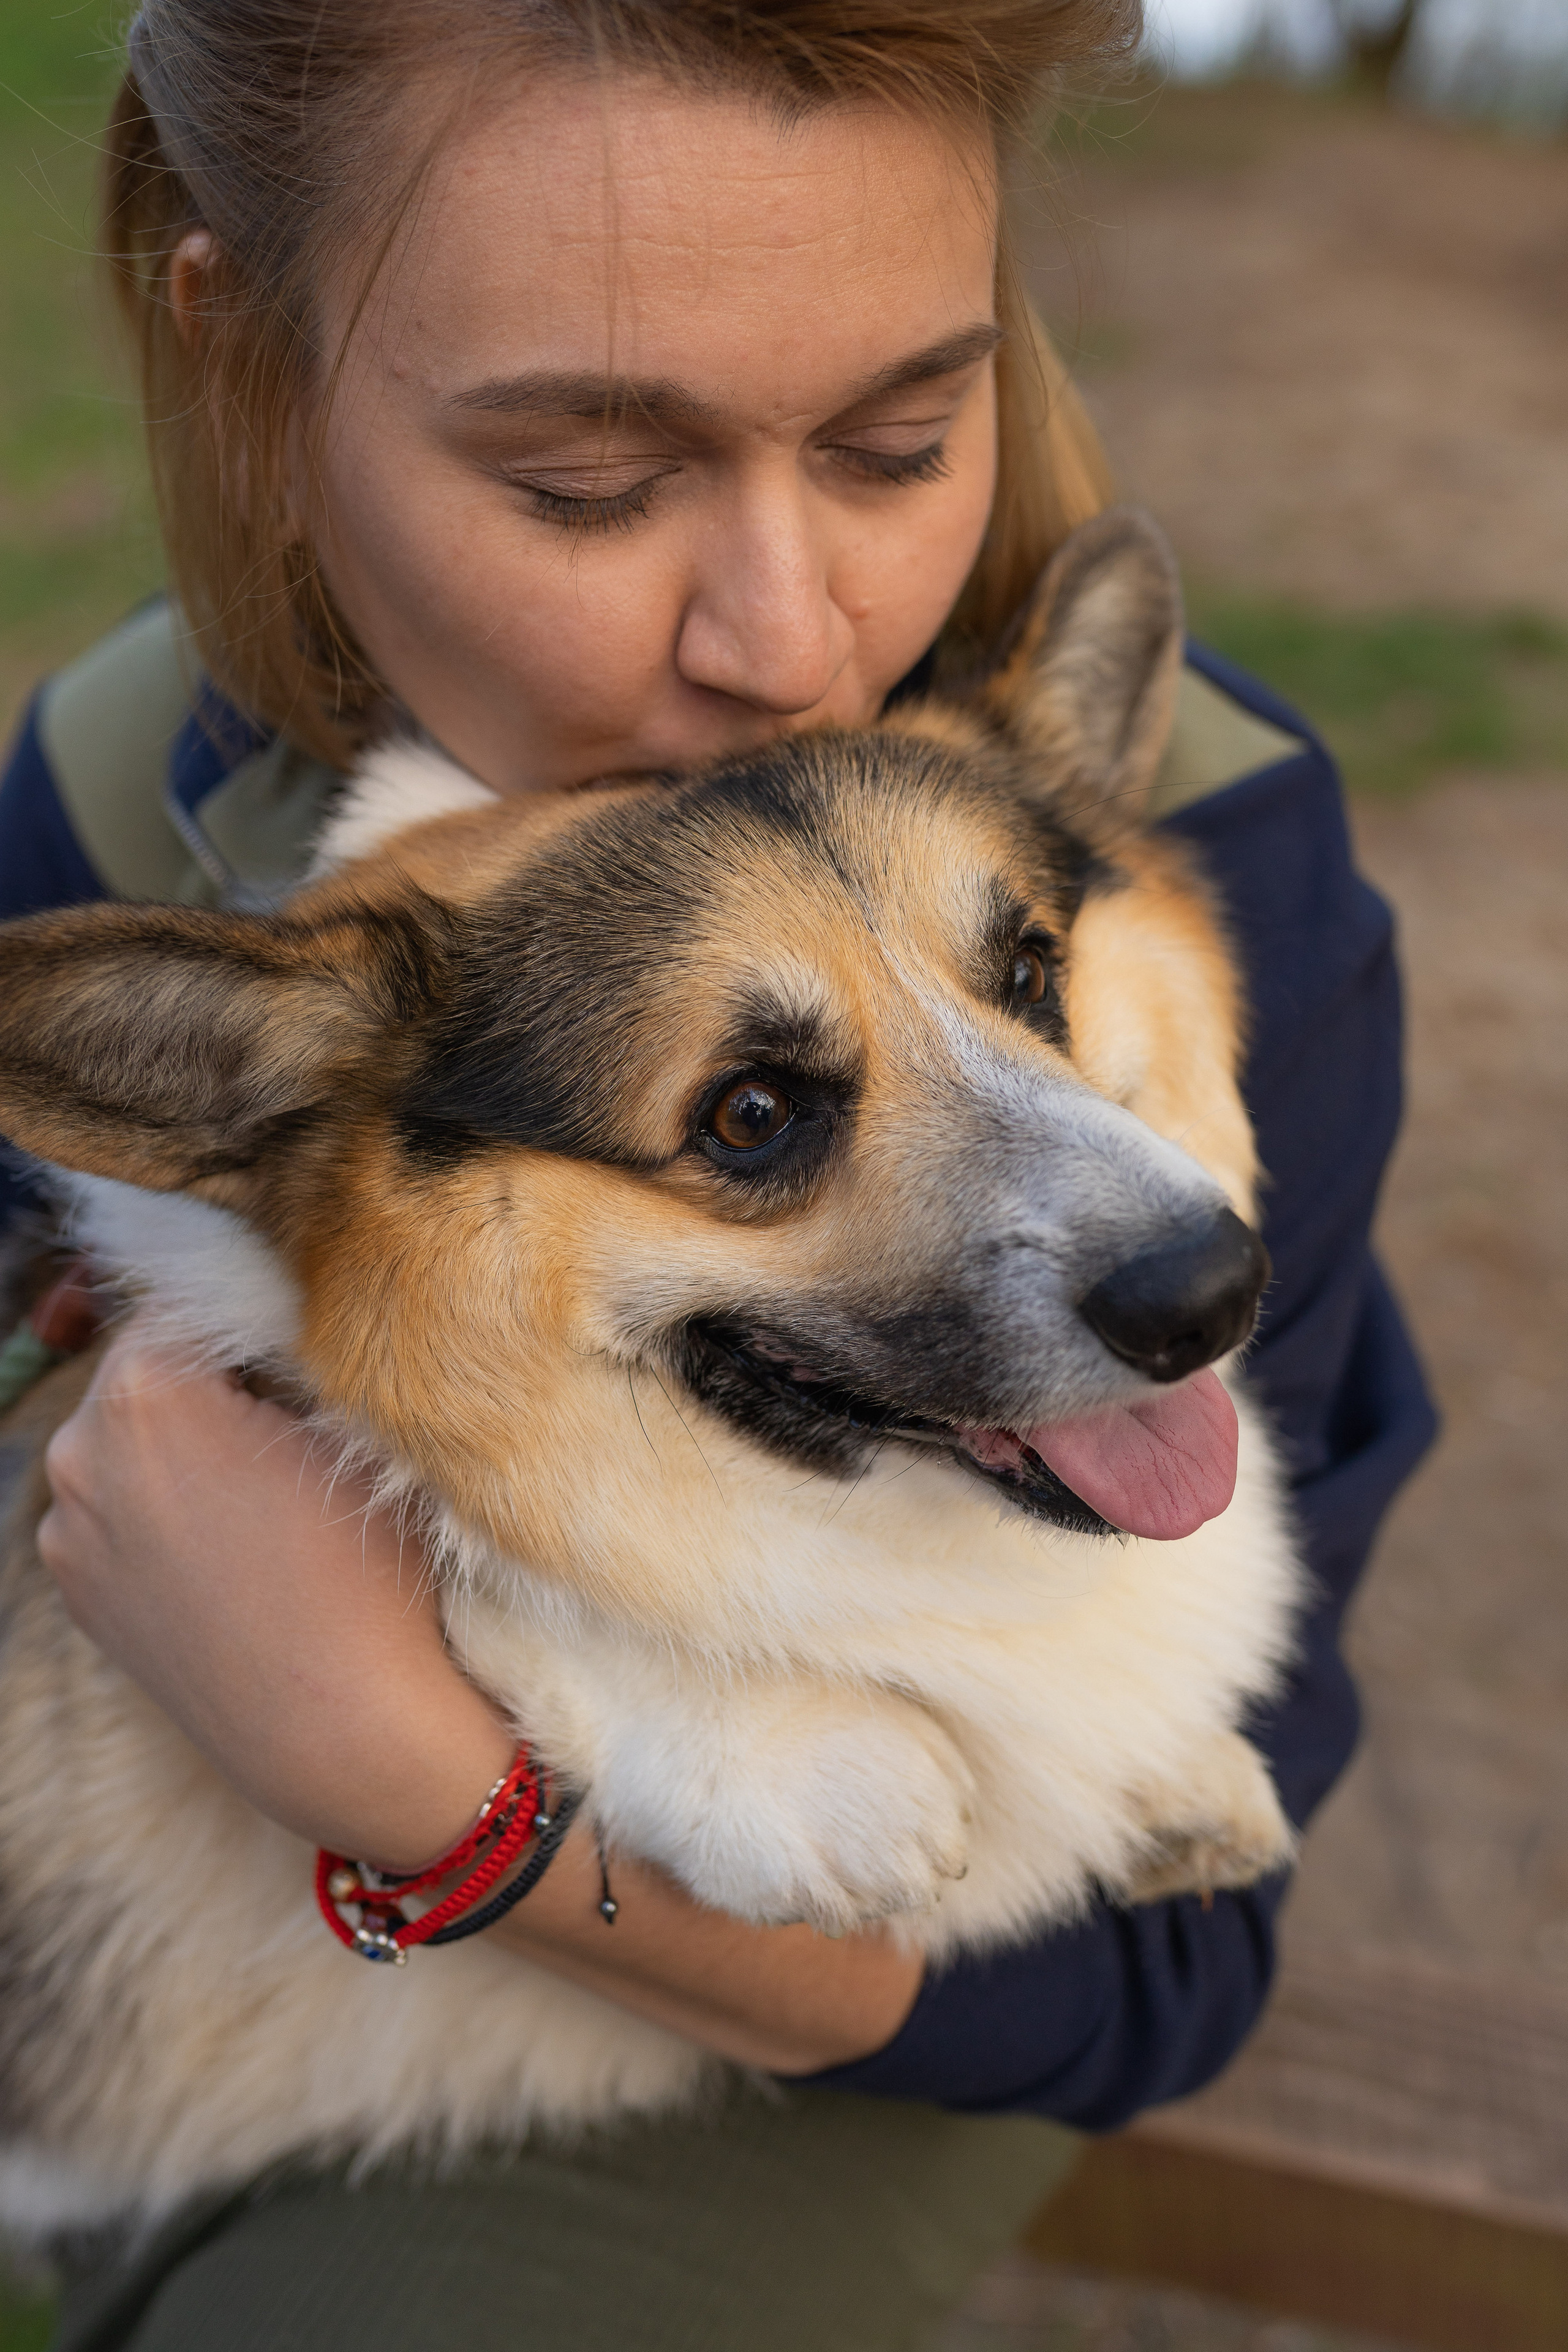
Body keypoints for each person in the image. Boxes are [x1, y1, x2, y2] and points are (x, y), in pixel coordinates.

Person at [0, 3, 1436, 2346]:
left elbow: (1166, 1957)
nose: (785, 645)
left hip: (839, 2022)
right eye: (586, 479)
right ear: (250, 368)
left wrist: (440, 1797)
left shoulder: (1228, 861)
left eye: (899, 438)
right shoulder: (117, 786)